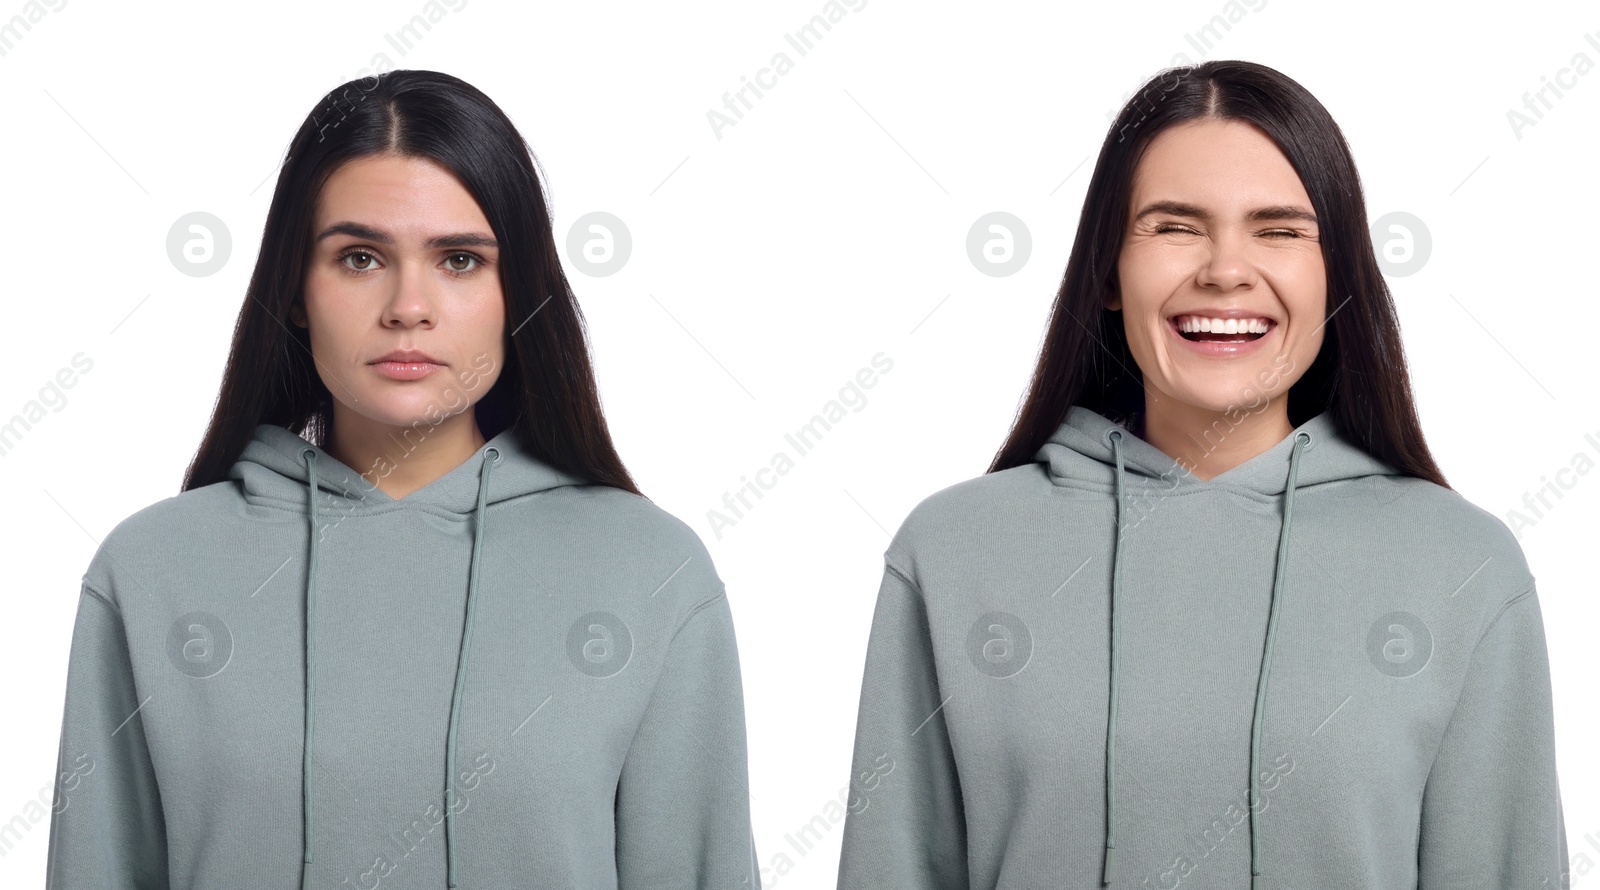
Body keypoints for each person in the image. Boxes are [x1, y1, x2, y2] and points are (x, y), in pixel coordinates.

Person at [835, 59, 1567, 890]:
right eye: (1176, 226)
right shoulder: (953, 550)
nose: (1225, 269)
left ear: (1337, 279)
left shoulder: (1462, 565)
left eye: (1280, 230)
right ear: (1108, 271)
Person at [44, 69, 760, 890]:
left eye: (458, 259)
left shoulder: (650, 571)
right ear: (297, 290)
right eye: (359, 257)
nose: (408, 306)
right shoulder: (152, 571)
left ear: (514, 292)